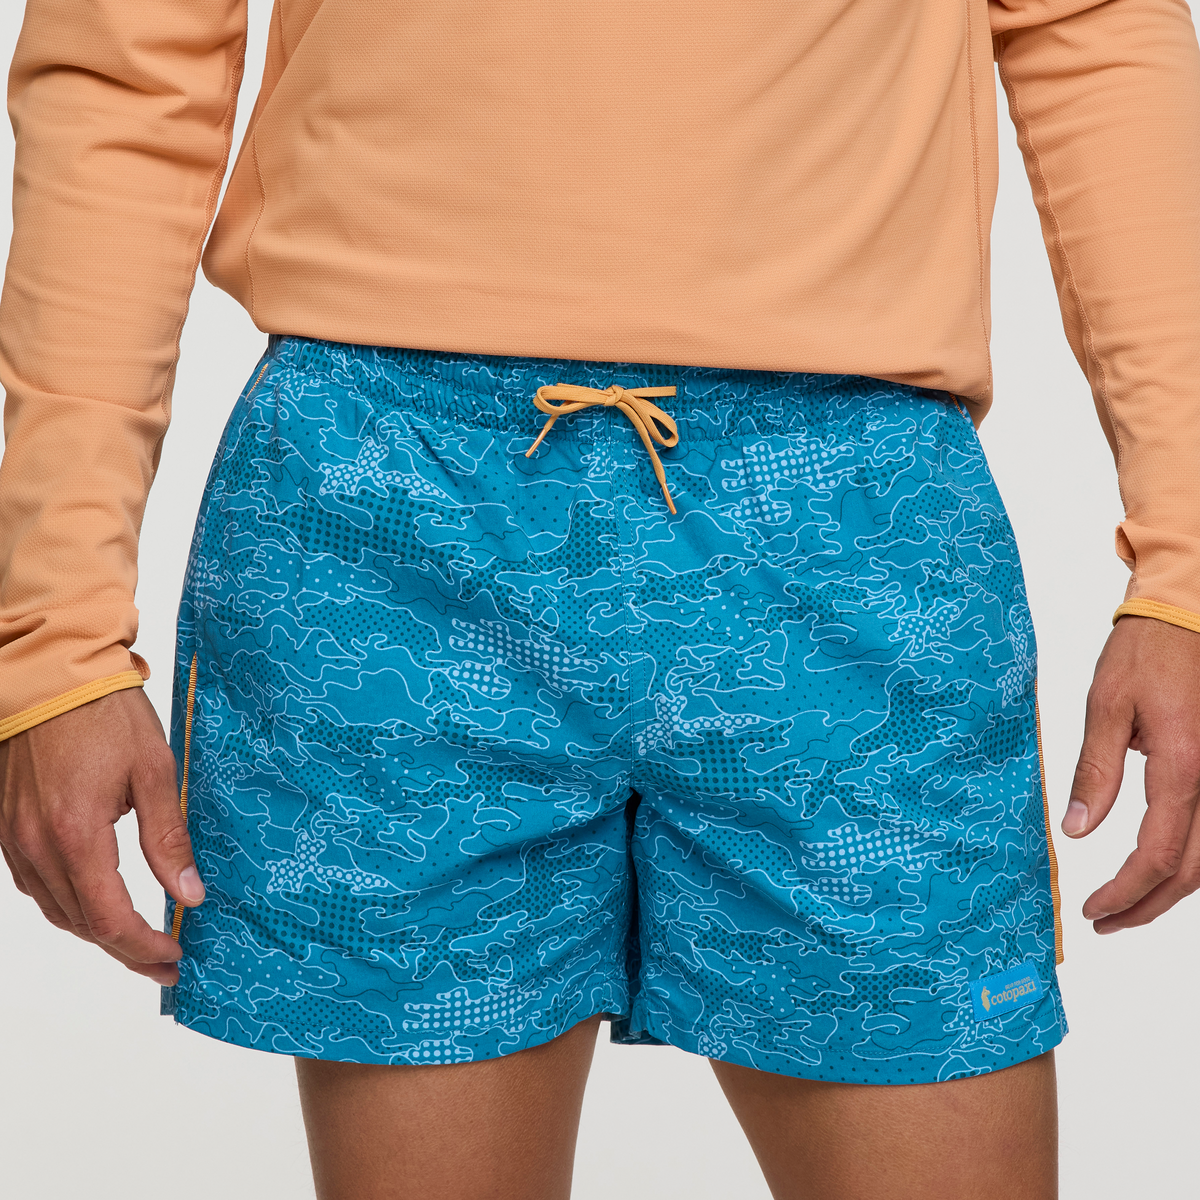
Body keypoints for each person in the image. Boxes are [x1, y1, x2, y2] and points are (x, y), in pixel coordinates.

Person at [0, 0, 1197, 1197]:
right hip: (392, 512)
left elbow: (1092, 28)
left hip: (848, 522)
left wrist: (1188, 565)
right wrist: (55, 636)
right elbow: (132, 65)